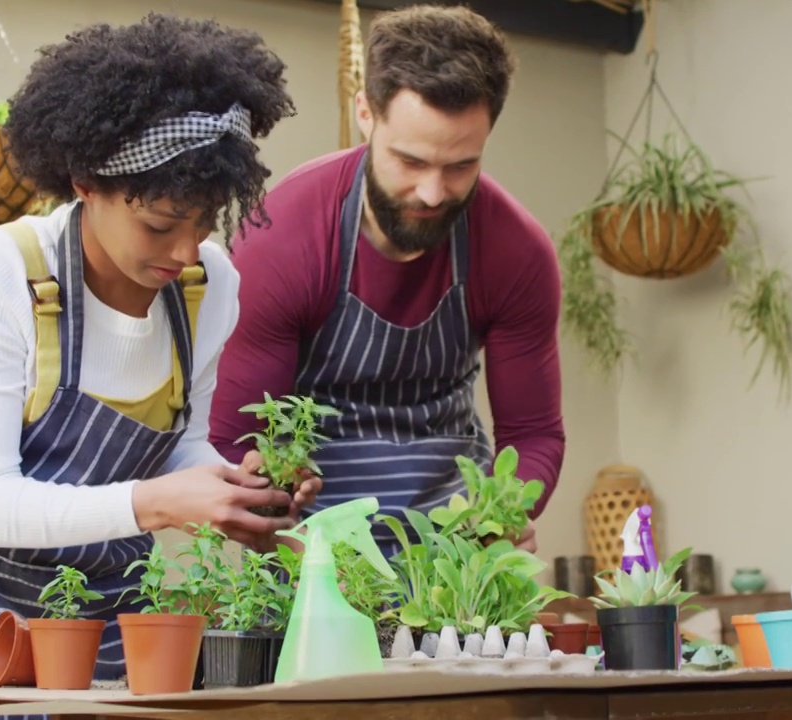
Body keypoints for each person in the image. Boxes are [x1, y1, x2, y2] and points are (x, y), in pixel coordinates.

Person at [0, 13, 312, 697]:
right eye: (160, 224)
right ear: (85, 181)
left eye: (206, 220)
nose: (185, 251)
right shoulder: (2, 270)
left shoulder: (206, 287)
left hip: (102, 603)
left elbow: (177, 447)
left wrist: (236, 488)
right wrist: (159, 504)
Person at [209, 5, 565, 556]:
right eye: (410, 161)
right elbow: (235, 438)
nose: (432, 192)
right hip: (315, 551)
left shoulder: (516, 253)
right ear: (366, 114)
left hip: (455, 554)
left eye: (460, 166)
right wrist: (270, 488)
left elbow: (535, 433)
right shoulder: (280, 239)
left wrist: (504, 509)